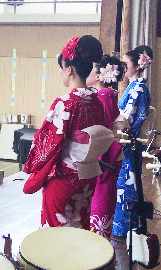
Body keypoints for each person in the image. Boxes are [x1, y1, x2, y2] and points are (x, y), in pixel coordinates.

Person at [23, 35, 114, 230]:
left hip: (63, 179)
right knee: (79, 227)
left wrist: (34, 168)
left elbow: (47, 144)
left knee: (56, 234)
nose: (60, 72)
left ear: (69, 70)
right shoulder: (96, 102)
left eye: (61, 68)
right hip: (87, 176)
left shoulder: (66, 103)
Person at [112, 45, 153, 238]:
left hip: (129, 143)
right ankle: (126, 228)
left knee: (126, 187)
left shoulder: (137, 88)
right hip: (129, 143)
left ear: (137, 66)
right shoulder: (135, 86)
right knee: (127, 186)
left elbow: (127, 118)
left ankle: (124, 230)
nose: (123, 67)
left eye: (126, 63)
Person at [86, 54, 126, 239]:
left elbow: (105, 132)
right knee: (103, 197)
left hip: (105, 158)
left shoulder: (104, 96)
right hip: (109, 155)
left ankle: (99, 245)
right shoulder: (106, 96)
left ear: (98, 76)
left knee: (101, 199)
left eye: (91, 71)